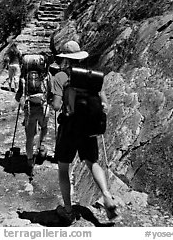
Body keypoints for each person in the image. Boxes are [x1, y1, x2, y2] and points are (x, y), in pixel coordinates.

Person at [52, 40, 117, 224]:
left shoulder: (61, 77)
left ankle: (67, 210)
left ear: (65, 59)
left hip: (70, 127)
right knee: (92, 163)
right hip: (89, 127)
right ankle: (106, 195)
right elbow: (105, 105)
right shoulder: (93, 77)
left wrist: (56, 101)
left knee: (63, 168)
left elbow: (57, 107)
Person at [15, 57, 52, 176]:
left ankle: (30, 161)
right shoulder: (46, 76)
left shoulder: (24, 78)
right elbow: (50, 94)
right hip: (43, 108)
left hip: (29, 109)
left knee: (29, 137)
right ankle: (41, 146)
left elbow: (18, 97)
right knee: (44, 127)